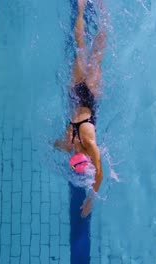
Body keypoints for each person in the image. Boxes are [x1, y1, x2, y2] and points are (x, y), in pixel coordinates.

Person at [55, 0, 107, 218]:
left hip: (77, 93)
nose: (76, 152)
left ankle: (82, 8)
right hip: (88, 95)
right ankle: (101, 12)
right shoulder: (88, 144)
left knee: (82, 47)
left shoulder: (72, 144)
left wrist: (57, 144)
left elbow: (56, 145)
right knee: (94, 53)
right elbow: (100, 176)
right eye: (78, 155)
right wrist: (91, 201)